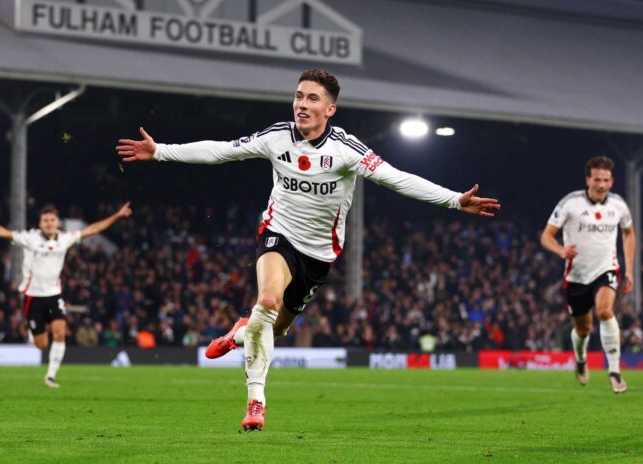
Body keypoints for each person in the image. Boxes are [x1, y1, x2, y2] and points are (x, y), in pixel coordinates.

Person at [117, 69, 500, 430]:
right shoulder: (277, 136)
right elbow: (223, 151)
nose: (301, 103)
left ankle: (238, 335)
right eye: (298, 96)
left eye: (312, 98)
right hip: (277, 233)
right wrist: (162, 151)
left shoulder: (348, 151)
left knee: (276, 327)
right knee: (266, 302)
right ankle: (256, 402)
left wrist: (454, 200)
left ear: (329, 109)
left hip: (320, 254)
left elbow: (396, 179)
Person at [0, 202, 132, 387]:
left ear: (58, 222)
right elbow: (2, 232)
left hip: (54, 294)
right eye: (45, 220)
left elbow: (92, 229)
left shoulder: (65, 239)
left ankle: (50, 376)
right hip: (33, 297)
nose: (49, 223)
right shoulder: (30, 238)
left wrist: (117, 215)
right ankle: (33, 329)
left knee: (60, 334)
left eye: (52, 220)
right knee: (41, 344)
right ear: (40, 223)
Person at [541, 156, 633, 393]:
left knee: (605, 311)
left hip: (607, 269)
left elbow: (629, 233)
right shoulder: (570, 203)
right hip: (577, 276)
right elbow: (546, 236)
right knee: (583, 329)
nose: (601, 184)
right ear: (588, 180)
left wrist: (629, 270)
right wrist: (561, 250)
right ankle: (581, 359)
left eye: (606, 180)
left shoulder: (619, 206)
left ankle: (614, 371)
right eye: (597, 179)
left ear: (611, 181)